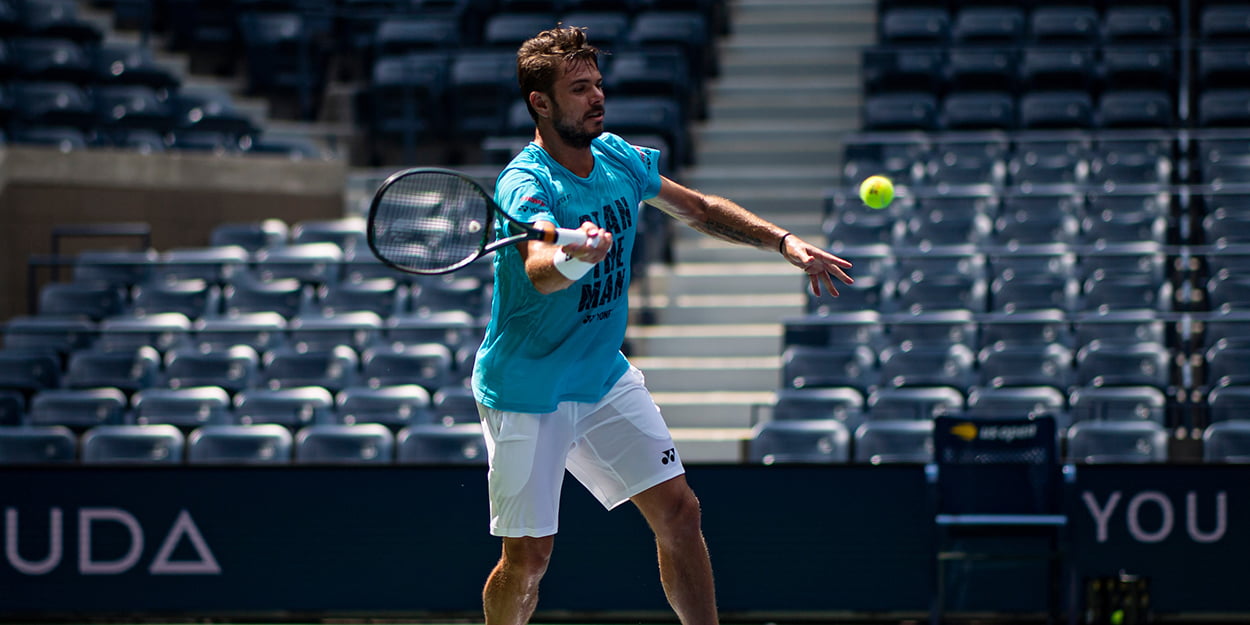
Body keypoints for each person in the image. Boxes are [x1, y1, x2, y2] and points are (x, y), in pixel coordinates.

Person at [471, 25, 855, 625]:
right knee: (529, 558)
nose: (597, 97)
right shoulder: (527, 183)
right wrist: (575, 256)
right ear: (539, 104)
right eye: (579, 89)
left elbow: (698, 209)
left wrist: (783, 242)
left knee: (680, 512)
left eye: (598, 84)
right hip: (527, 387)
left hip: (600, 376)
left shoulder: (616, 156)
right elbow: (540, 268)